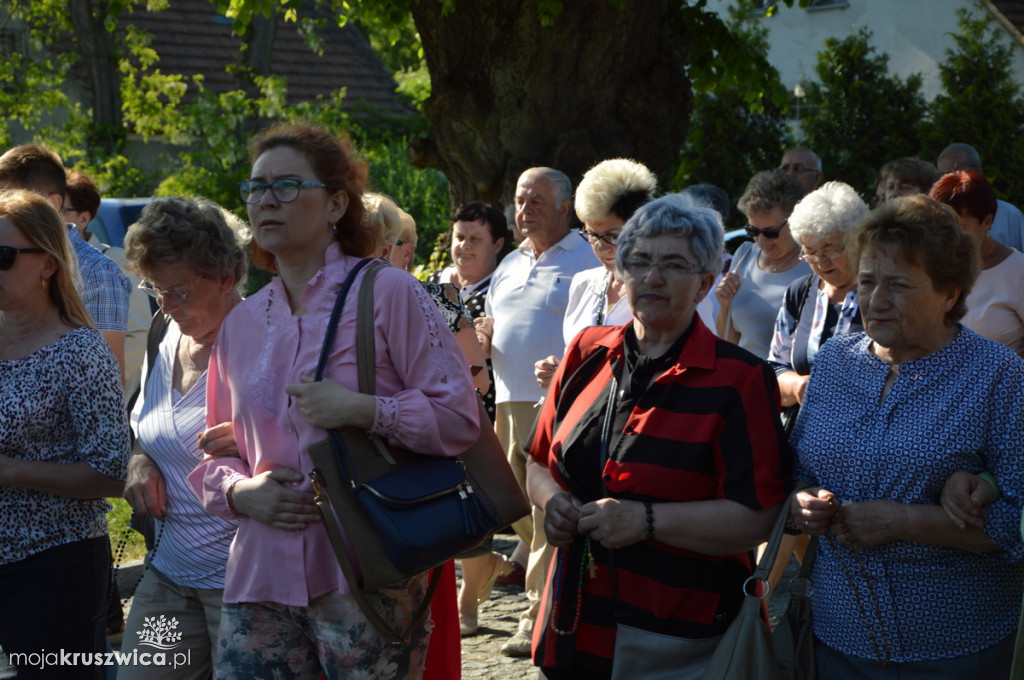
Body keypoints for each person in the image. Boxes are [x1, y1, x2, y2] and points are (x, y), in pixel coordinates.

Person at [188, 122, 479, 679]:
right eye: (255, 188)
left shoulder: (388, 292)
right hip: (259, 576)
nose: (266, 200)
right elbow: (215, 451)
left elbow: (459, 419)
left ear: (337, 204)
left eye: (288, 186)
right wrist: (240, 490)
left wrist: (365, 410)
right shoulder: (242, 323)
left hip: (368, 568)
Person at [526, 193, 791, 678]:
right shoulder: (585, 352)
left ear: (705, 283)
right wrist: (553, 503)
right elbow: (540, 461)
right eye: (640, 261)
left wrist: (646, 521)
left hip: (676, 636)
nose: (652, 278)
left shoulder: (739, 379)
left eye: (674, 264)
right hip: (572, 619)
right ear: (620, 273)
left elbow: (759, 517)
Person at [789, 194, 1024, 675]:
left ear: (950, 294)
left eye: (897, 285)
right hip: (836, 635)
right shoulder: (835, 361)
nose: (875, 301)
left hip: (956, 648)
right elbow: (796, 472)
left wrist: (905, 521)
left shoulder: (998, 374)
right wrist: (803, 503)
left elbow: (1018, 522)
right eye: (869, 281)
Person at [0, 189, 130, 680]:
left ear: (48, 265)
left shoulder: (79, 351)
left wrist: (10, 472)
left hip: (52, 566)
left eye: (3, 256)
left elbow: (111, 473)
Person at [117, 197, 247, 680]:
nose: (167, 306)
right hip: (169, 573)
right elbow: (144, 424)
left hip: (247, 590)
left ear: (226, 277)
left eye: (180, 292)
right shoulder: (162, 331)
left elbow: (308, 454)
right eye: (155, 289)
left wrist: (261, 442)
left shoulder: (267, 342)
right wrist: (138, 460)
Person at [476, 166, 597, 657]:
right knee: (512, 506)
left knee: (545, 503)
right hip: (507, 399)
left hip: (557, 403)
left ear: (566, 207)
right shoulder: (508, 262)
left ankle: (536, 615)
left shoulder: (586, 255)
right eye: (520, 201)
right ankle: (561, 582)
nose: (525, 211)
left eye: (537, 202)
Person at [0, 145, 131, 383]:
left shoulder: (97, 272)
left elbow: (104, 384)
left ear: (52, 203)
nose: (3, 210)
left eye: (13, 199)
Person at [533, 158, 657, 391]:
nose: (600, 246)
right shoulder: (583, 283)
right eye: (591, 234)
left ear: (642, 227)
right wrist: (559, 372)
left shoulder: (670, 288)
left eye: (612, 235)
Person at [768, 181, 868, 407]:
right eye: (810, 252)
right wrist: (798, 387)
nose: (821, 262)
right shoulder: (799, 292)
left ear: (857, 241)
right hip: (804, 435)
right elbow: (774, 366)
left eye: (831, 249)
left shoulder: (882, 295)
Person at [65, 170, 153, 405]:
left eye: (61, 210)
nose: (49, 217)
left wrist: (107, 397)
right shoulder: (44, 264)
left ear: (83, 219)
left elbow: (138, 334)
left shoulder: (113, 262)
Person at [715, 169, 811, 358]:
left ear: (796, 220)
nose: (761, 241)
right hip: (744, 379)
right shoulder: (744, 254)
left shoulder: (813, 264)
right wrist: (724, 304)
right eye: (753, 231)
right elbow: (728, 339)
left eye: (771, 232)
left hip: (786, 383)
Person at [930, 170, 1024, 355]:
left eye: (958, 228)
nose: (947, 237)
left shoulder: (1017, 271)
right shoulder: (932, 267)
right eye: (940, 227)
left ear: (987, 221)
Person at [937, 142, 1024, 252]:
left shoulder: (1009, 216)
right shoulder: (937, 218)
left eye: (955, 173)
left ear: (977, 171)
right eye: (943, 175)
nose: (949, 181)